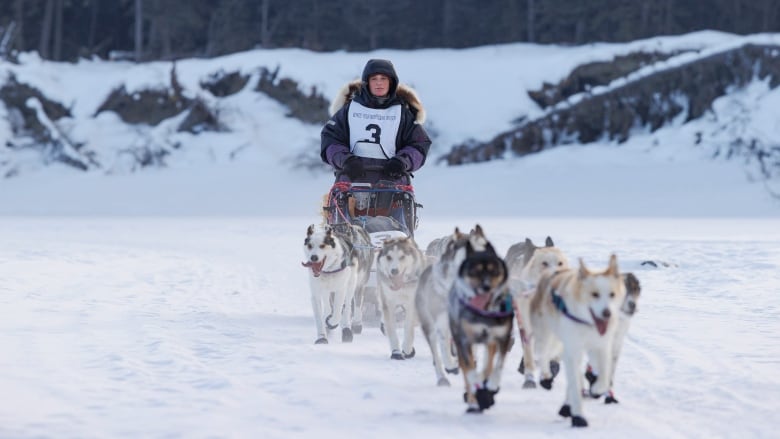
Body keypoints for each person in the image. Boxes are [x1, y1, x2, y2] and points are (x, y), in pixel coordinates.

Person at [321, 59, 431, 186]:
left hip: (392, 186)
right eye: (374, 79)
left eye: (383, 78)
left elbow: (419, 144)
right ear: (366, 82)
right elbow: (330, 140)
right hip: (351, 185)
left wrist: (402, 162)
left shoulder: (403, 114)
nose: (379, 83)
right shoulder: (349, 110)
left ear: (391, 82)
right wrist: (346, 160)